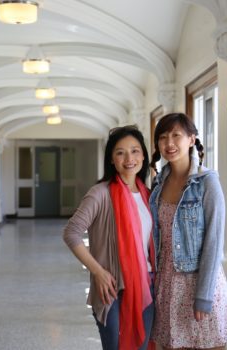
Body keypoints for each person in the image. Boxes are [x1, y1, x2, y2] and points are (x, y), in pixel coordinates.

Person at [63, 125, 155, 350]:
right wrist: (98, 272)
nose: (129, 158)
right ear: (111, 159)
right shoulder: (101, 193)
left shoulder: (148, 195)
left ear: (143, 154)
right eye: (120, 152)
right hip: (112, 288)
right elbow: (71, 233)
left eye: (135, 151)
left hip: (147, 284)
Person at [149, 113, 227, 350]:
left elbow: (214, 243)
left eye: (177, 135)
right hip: (167, 285)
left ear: (191, 139)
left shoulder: (208, 182)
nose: (169, 143)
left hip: (200, 284)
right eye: (163, 137)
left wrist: (204, 296)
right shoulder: (158, 184)